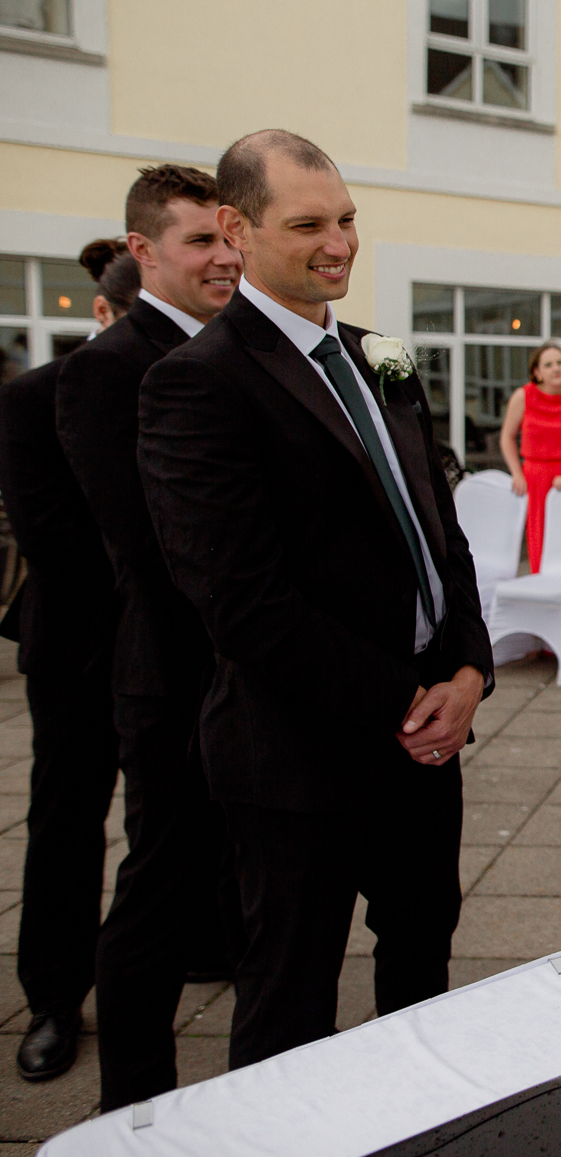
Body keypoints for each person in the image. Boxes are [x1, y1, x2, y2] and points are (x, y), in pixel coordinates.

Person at [137, 129, 493, 1071]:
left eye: (346, 220)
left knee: (422, 974)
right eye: (307, 224)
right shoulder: (195, 383)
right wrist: (401, 702)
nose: (337, 243)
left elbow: (439, 532)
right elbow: (241, 602)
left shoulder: (386, 355)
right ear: (234, 228)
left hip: (428, 739)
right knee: (289, 999)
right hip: (296, 753)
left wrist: (468, 667)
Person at [58, 166, 244, 1110]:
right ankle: (132, 1108)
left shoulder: (249, 349)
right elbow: (147, 542)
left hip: (257, 674)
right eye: (200, 242)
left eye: (229, 237)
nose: (225, 257)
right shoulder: (108, 369)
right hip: (172, 675)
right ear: (143, 251)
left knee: (253, 891)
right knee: (157, 895)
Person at [0, 241, 131, 1084]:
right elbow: (48, 537)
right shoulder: (33, 397)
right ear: (103, 311)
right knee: (67, 819)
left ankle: (194, 939)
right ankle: (54, 995)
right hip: (78, 645)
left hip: (179, 648)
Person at [499, 343, 561, 572]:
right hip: (536, 479)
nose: (556, 369)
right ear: (537, 372)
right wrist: (517, 473)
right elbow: (507, 438)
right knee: (540, 541)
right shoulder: (523, 396)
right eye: (548, 365)